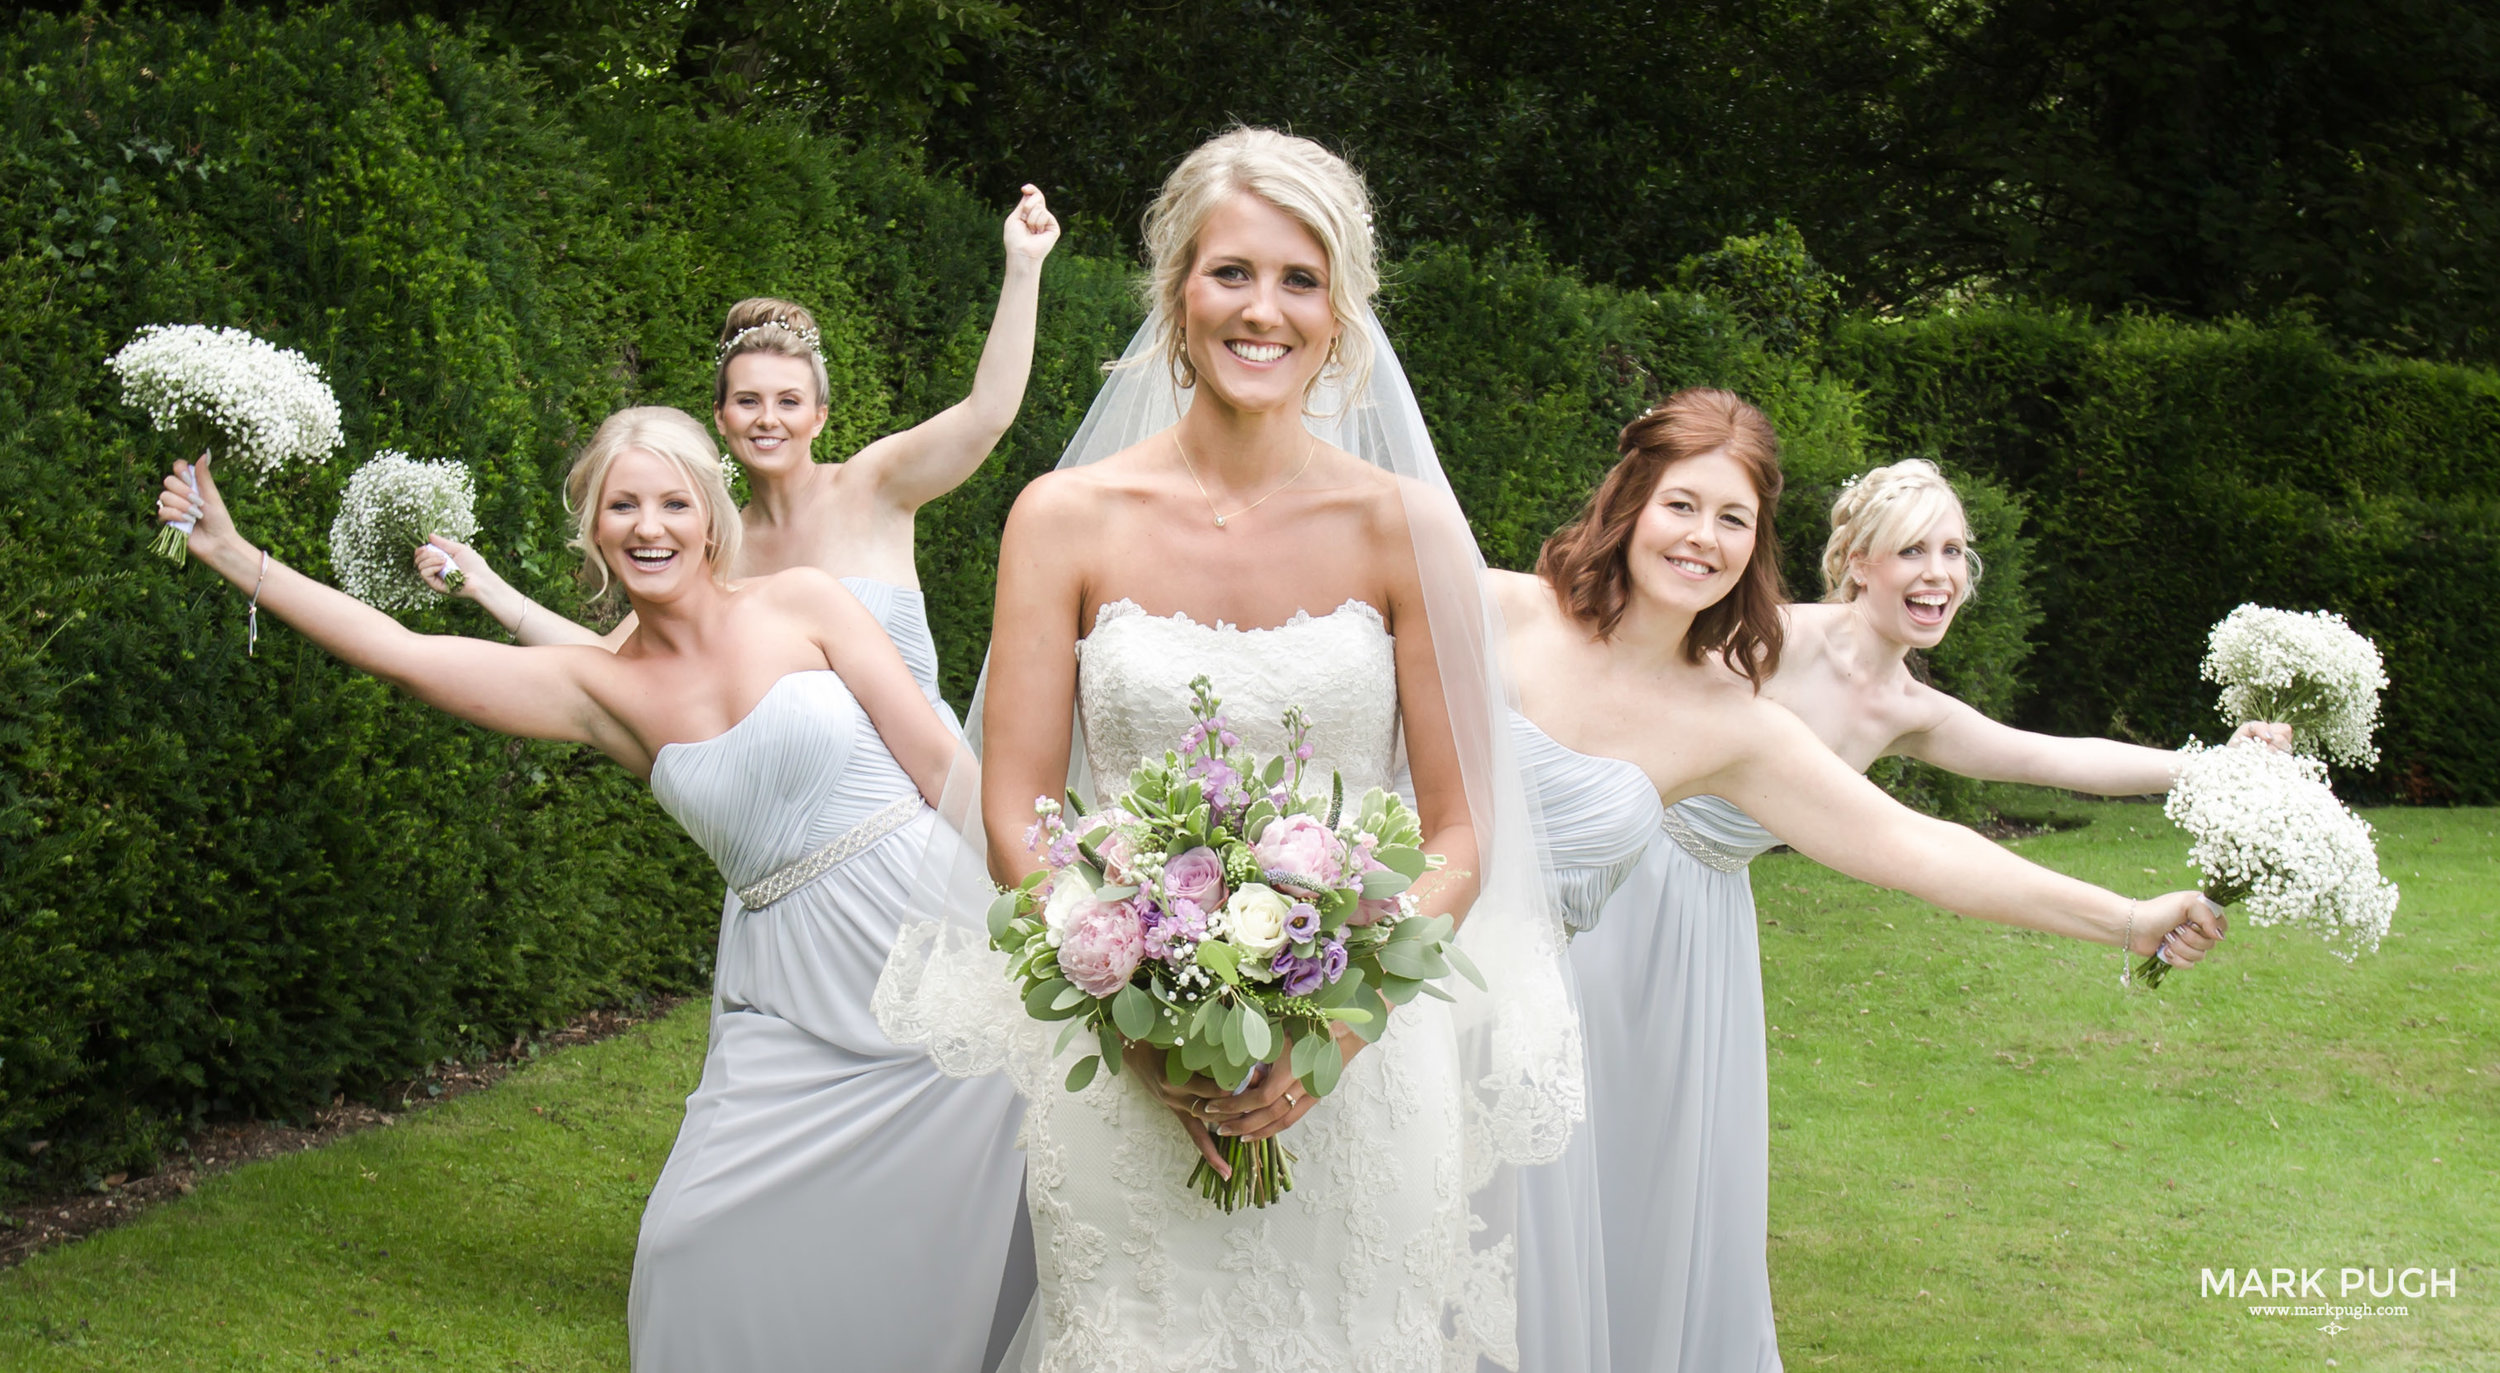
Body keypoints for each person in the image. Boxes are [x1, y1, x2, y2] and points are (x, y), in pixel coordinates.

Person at [873, 127, 1587, 1371]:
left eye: (1300, 280)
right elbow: (1016, 812)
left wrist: (1332, 1032)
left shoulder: (1406, 527)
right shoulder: (1063, 519)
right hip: (1126, 1047)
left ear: (1341, 313)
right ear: (1175, 294)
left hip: (1360, 1054)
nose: (1263, 311)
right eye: (1231, 274)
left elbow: (1464, 831)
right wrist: (1139, 1019)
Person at [155, 408, 1030, 1373]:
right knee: (687, 1241)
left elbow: (942, 765)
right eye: (623, 506)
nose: (649, 526)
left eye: (671, 502)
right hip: (790, 992)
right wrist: (235, 554)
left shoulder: (806, 602)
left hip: (926, 936)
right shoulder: (595, 686)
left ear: (710, 517)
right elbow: (400, 652)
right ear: (596, 531)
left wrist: (1053, 911)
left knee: (1005, 1199)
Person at [1495, 394, 2230, 1373]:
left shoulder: (1871, 708)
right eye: (1915, 549)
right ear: (1855, 559)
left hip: (1695, 919)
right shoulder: (1745, 638)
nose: (1939, 573)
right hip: (1587, 891)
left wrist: (2204, 780)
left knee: (1646, 1172)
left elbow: (2003, 794)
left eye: (1955, 552)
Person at [417, 185, 1064, 720]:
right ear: (721, 417)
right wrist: (487, 586)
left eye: (789, 402)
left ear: (820, 415)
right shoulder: (713, 553)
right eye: (748, 401)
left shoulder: (874, 487)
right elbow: (606, 666)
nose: (768, 420)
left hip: (932, 807)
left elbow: (986, 413)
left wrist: (1024, 266)